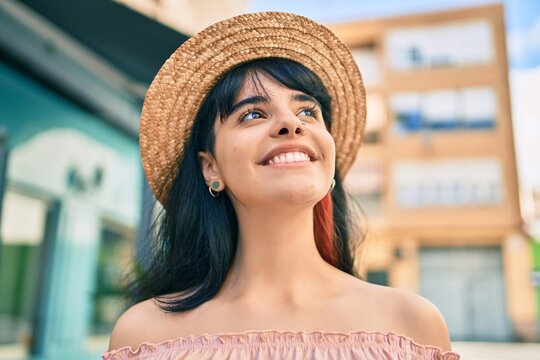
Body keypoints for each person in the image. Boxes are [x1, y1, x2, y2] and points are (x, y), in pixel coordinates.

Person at [103, 12, 460, 360]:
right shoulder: (143, 337)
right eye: (252, 114)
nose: (291, 123)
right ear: (210, 167)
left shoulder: (412, 327)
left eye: (308, 111)